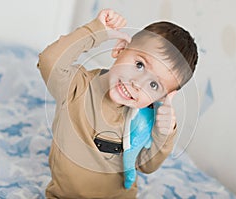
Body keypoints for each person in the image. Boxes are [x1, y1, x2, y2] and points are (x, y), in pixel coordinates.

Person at [37, 8, 198, 199]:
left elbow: (147, 166)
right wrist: (95, 31)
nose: (137, 84)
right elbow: (49, 60)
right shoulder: (76, 87)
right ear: (120, 49)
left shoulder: (144, 118)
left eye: (154, 85)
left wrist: (164, 133)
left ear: (164, 96)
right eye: (139, 65)